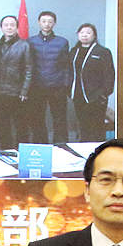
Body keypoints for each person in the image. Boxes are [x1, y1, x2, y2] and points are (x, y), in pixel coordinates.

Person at [26, 11, 73, 145]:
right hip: (36, 87)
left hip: (57, 87)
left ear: (54, 24)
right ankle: (41, 147)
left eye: (50, 21)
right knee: (37, 119)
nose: (47, 24)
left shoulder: (62, 42)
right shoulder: (30, 41)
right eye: (44, 21)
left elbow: (66, 66)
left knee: (59, 119)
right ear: (39, 23)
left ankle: (61, 147)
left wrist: (65, 85)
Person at [69, 22, 115, 142]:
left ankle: (98, 150)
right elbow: (68, 72)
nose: (84, 35)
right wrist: (69, 91)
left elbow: (109, 74)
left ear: (94, 36)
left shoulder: (103, 51)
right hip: (78, 96)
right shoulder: (74, 51)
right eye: (82, 32)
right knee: (83, 126)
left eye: (88, 33)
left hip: (96, 97)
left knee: (96, 127)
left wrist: (104, 93)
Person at [0, 14, 32, 151]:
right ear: (1, 28)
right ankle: (6, 152)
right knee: (2, 125)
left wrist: (24, 90)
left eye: (12, 25)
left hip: (18, 93)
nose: (9, 27)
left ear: (17, 28)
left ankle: (22, 153)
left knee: (21, 126)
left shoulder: (24, 45)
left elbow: (29, 69)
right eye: (6, 25)